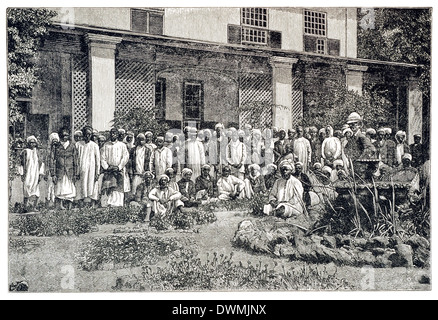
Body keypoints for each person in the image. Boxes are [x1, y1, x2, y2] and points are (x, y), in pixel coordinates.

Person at [100, 128, 129, 207]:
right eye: (112, 133)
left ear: (117, 134)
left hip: (118, 169)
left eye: (115, 133)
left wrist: (119, 167)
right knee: (108, 185)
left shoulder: (122, 145)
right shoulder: (106, 145)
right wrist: (106, 167)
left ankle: (118, 204)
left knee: (118, 187)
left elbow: (125, 157)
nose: (113, 134)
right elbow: (102, 158)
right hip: (109, 170)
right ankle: (108, 203)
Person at [52, 128, 78, 210]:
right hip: (60, 172)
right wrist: (53, 174)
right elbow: (52, 160)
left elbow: (76, 161)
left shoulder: (72, 146)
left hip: (70, 171)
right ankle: (60, 205)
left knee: (70, 189)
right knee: (60, 189)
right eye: (62, 135)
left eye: (66, 135)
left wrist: (75, 173)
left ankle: (69, 206)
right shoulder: (57, 146)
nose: (64, 137)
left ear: (69, 135)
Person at [76, 126, 100, 208]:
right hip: (81, 169)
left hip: (92, 170)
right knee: (81, 186)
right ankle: (81, 204)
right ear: (83, 134)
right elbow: (76, 159)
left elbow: (98, 160)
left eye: (89, 134)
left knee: (91, 186)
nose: (87, 136)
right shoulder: (78, 145)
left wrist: (97, 172)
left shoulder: (94, 146)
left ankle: (92, 204)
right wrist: (77, 171)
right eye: (86, 134)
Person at [20, 136, 45, 212]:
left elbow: (41, 163)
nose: (32, 144)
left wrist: (40, 173)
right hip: (28, 173)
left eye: (34, 142)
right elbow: (21, 163)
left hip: (35, 173)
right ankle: (25, 207)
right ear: (28, 143)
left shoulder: (37, 151)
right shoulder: (25, 151)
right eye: (31, 142)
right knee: (27, 188)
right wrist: (22, 173)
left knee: (36, 190)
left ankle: (34, 206)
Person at [130, 133, 153, 200]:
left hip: (144, 173)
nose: (141, 142)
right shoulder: (133, 150)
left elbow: (149, 162)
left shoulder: (148, 150)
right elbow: (131, 162)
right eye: (139, 140)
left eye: (143, 140)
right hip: (136, 173)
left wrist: (148, 172)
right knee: (134, 190)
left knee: (145, 191)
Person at [45, 133, 60, 209]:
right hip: (50, 171)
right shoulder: (48, 151)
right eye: (53, 141)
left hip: (57, 170)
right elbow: (47, 162)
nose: (55, 143)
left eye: (56, 141)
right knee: (49, 187)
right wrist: (46, 172)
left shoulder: (59, 150)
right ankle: (47, 203)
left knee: (55, 187)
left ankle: (54, 203)